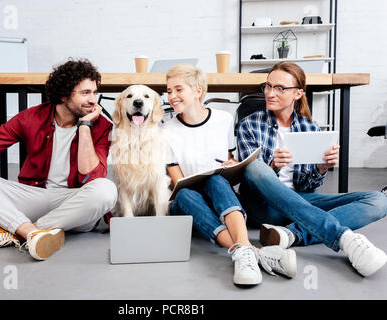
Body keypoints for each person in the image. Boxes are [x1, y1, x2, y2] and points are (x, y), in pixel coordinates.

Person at [0, 59, 118, 261]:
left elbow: (92, 175)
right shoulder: (31, 117)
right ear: (63, 95)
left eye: (94, 92)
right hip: (35, 196)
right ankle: (34, 233)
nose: (94, 100)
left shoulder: (102, 126)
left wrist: (85, 127)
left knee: (106, 190)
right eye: (85, 93)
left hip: (76, 203)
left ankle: (18, 231)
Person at [237, 61, 387, 277]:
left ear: (298, 93)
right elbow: (249, 177)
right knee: (256, 168)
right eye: (268, 86)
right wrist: (272, 166)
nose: (270, 93)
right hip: (264, 206)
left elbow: (308, 186)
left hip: (300, 201)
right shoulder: (249, 125)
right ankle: (343, 238)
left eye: (280, 88)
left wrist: (321, 167)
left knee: (379, 200)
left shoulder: (310, 128)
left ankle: (290, 235)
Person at [162, 64, 297, 286]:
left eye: (178, 90)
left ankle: (243, 251)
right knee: (185, 194)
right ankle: (250, 250)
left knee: (215, 179)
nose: (172, 97)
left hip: (220, 194)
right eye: (169, 91)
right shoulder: (166, 131)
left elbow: (230, 163)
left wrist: (233, 165)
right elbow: (178, 183)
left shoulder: (223, 120)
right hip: (189, 201)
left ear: (197, 91)